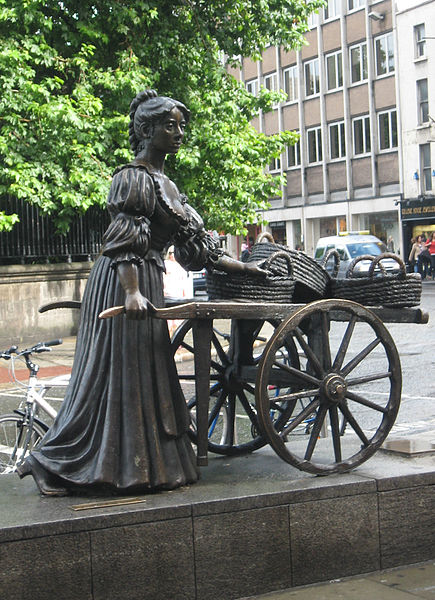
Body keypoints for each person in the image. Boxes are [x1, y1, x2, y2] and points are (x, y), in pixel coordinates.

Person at [17, 89, 265, 496]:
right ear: (147, 130)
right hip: (123, 280)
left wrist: (245, 267)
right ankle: (50, 462)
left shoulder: (169, 186)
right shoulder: (132, 178)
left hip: (146, 280)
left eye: (182, 125)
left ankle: (142, 468)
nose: (180, 132)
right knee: (109, 378)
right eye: (171, 125)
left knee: (143, 375)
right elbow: (126, 241)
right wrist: (131, 291)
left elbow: (198, 250)